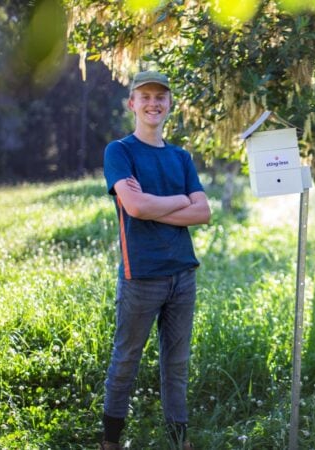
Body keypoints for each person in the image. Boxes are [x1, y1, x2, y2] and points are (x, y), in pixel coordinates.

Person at [100, 70, 210, 450]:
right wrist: (180, 200)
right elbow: (133, 205)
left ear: (169, 105)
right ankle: (110, 441)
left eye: (160, 97)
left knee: (176, 365)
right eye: (145, 96)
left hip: (182, 273)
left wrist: (152, 207)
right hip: (141, 275)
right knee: (126, 358)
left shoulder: (181, 157)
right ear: (132, 103)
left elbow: (203, 212)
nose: (153, 103)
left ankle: (179, 440)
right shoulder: (120, 151)